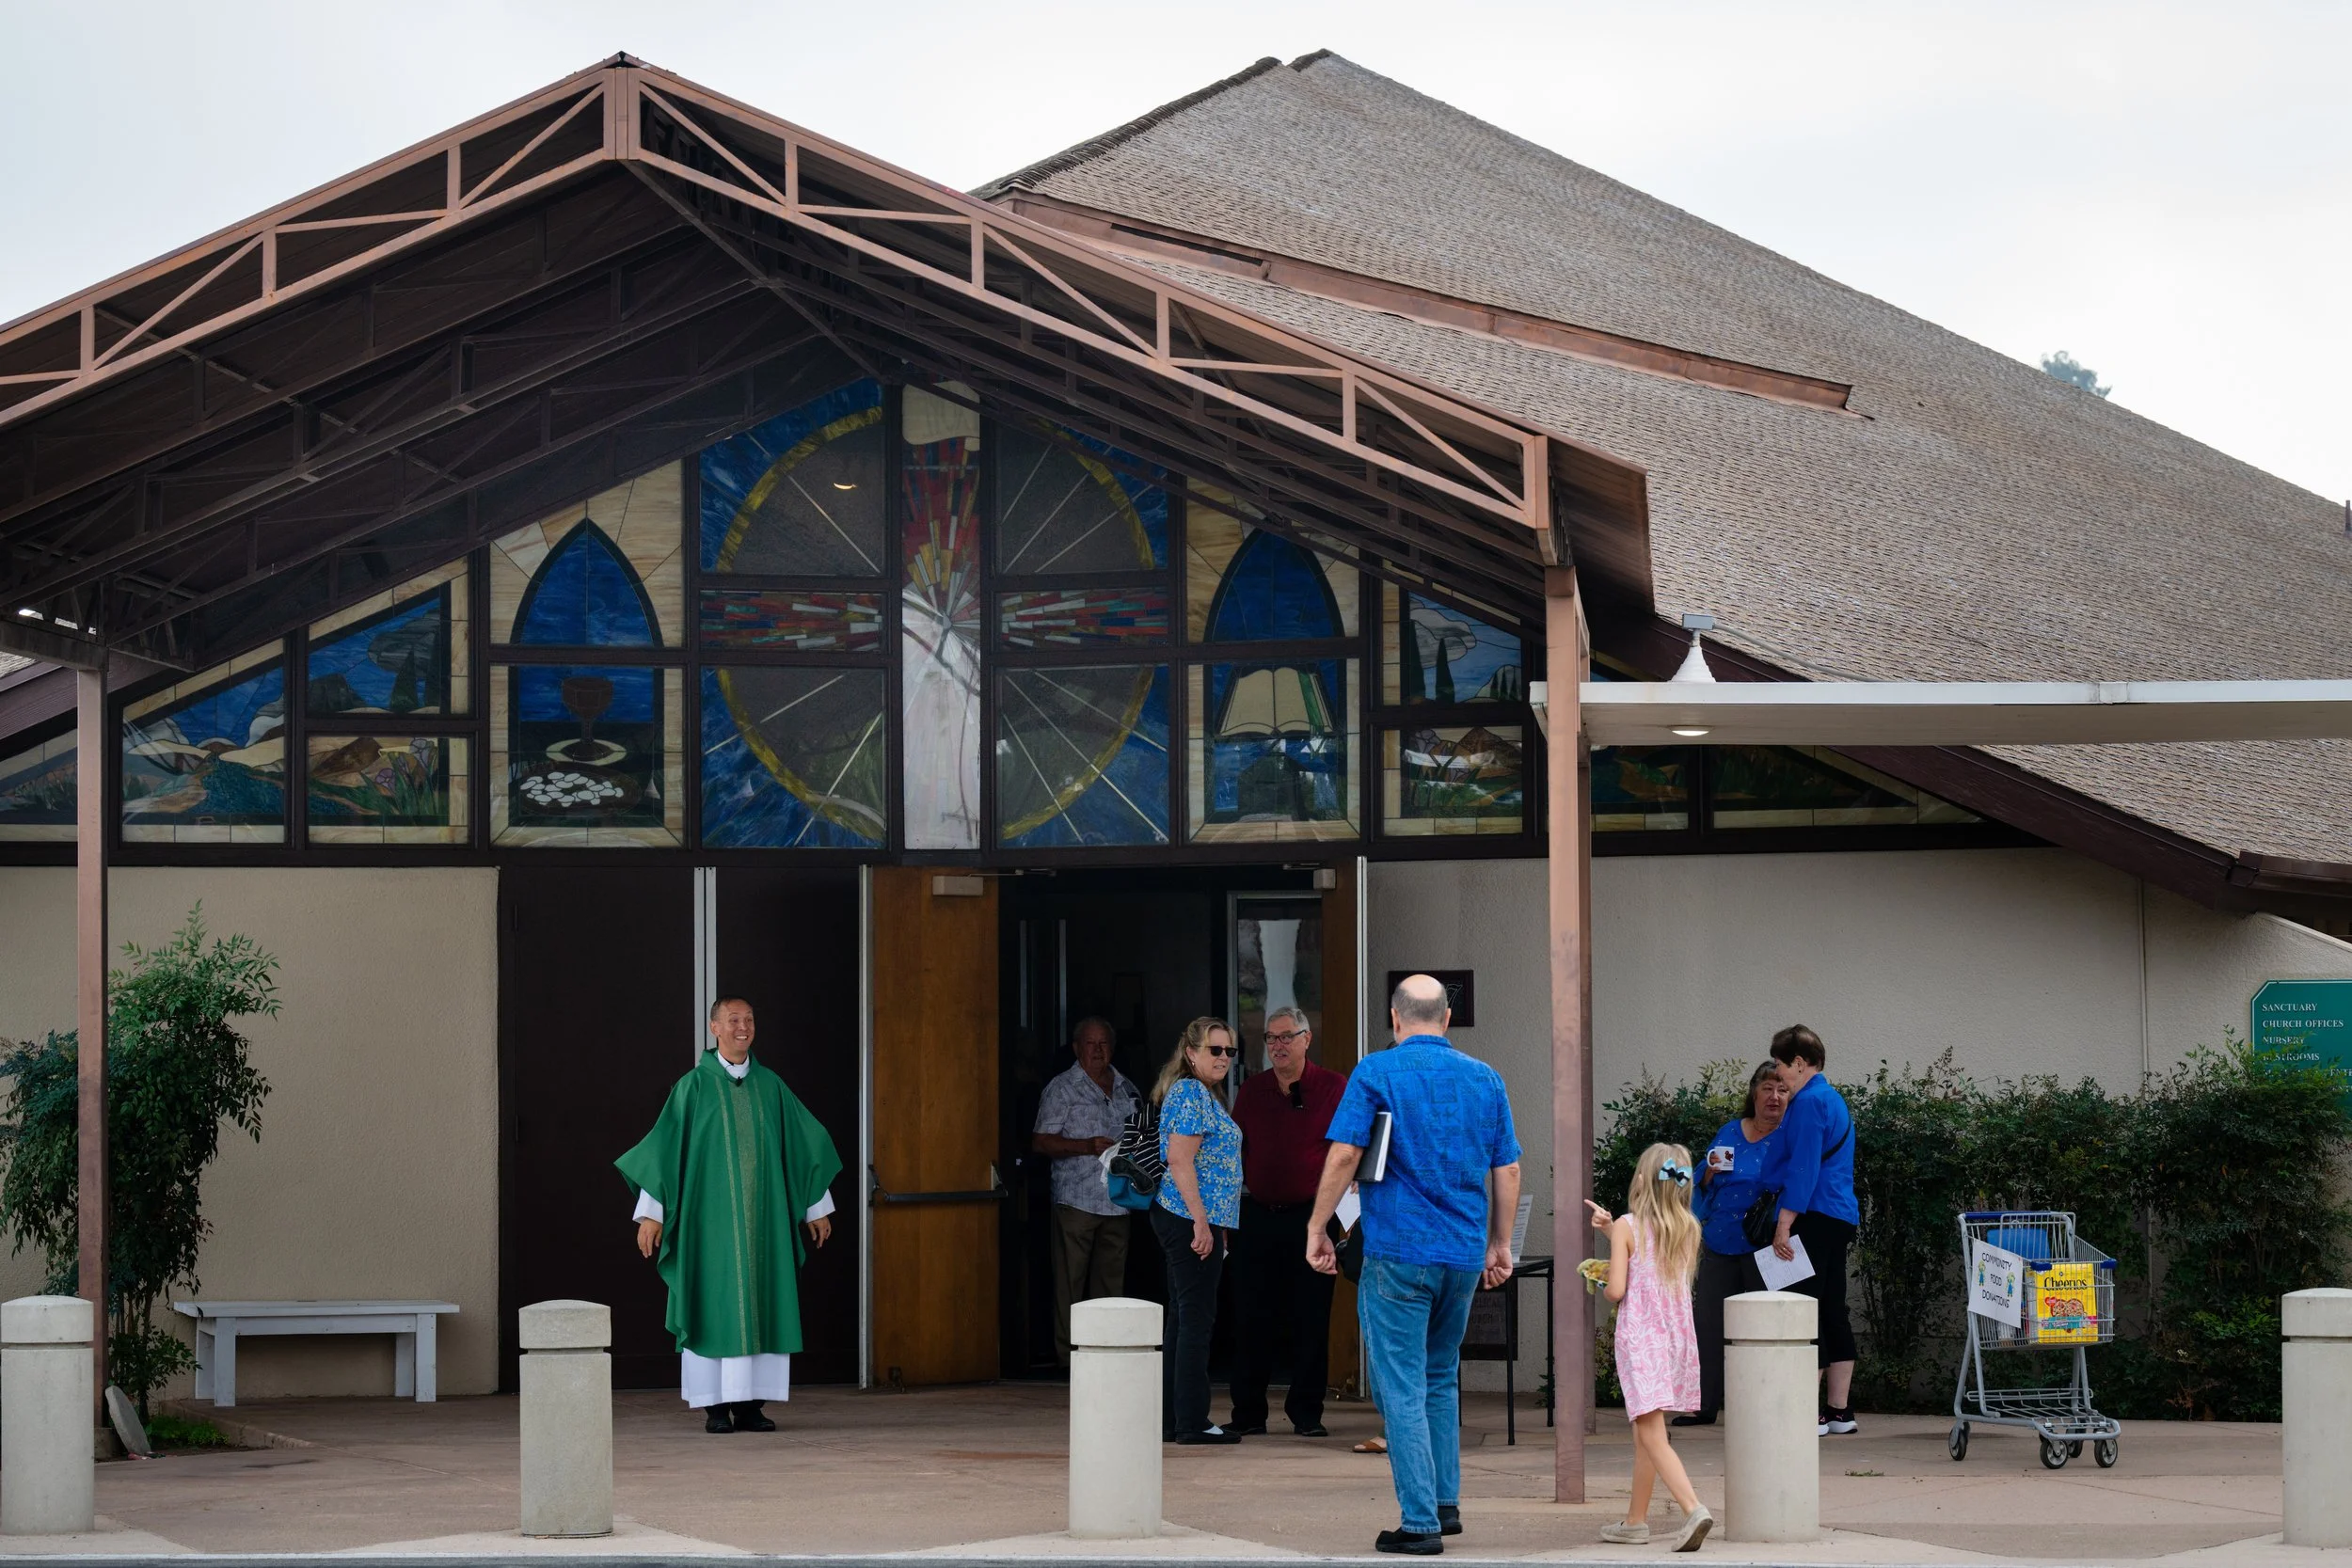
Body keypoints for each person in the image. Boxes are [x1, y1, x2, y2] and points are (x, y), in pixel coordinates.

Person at [1307, 974, 1520, 1557]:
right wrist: (1499, 1245)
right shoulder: (1486, 1078)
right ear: (1446, 1019)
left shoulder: (1376, 1071)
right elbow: (1508, 1170)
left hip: (1398, 1251)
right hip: (1460, 1254)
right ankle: (1446, 1504)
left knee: (1400, 1386)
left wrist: (1317, 1225)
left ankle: (1420, 1521)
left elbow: (1347, 1152)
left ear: (1395, 1020)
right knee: (1438, 1379)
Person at [617, 996, 841, 1433]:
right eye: (733, 1020)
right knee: (710, 1300)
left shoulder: (771, 1086)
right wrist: (652, 1215)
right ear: (714, 1028)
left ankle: (752, 1406)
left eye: (750, 1020)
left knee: (763, 1298)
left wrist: (816, 1205)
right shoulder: (693, 1087)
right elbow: (664, 1151)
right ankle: (715, 1407)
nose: (743, 1027)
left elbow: (802, 1146)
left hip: (765, 1226)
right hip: (708, 1227)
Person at [1586, 1144, 1713, 1552]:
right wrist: (1612, 1233)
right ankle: (1635, 1521)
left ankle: (1693, 1508)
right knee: (1646, 1432)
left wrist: (1600, 1276)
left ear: (1641, 1180)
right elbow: (1652, 1261)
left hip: (1641, 1341)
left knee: (1651, 1433)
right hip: (1675, 1341)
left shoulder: (1628, 1225)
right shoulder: (1688, 1227)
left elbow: (1618, 1290)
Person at [1228, 1005, 1345, 1438]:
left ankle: (1307, 1414)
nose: (1278, 1045)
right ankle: (1248, 1414)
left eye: (1286, 1036)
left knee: (1311, 1317)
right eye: (1271, 1038)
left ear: (1306, 1039)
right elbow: (1233, 1153)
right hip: (1257, 1216)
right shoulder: (1253, 1090)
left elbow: (1348, 1153)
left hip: (1312, 1219)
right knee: (1250, 1315)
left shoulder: (1334, 1087)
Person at [1760, 1023, 1861, 1435]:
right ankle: (1839, 1412)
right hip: (1839, 1215)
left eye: (1782, 1065)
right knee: (1832, 1306)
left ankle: (1808, 1412)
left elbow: (1804, 1167)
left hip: (1813, 1215)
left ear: (1800, 1063)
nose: (1779, 1074)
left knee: (1803, 1308)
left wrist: (1784, 1223)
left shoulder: (1806, 1103)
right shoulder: (1833, 1099)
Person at [1678, 1061, 1791, 1426]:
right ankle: (1704, 1405)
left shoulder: (1790, 1136)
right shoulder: (1729, 1131)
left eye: (1782, 1090)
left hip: (1765, 1247)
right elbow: (1697, 1182)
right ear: (1754, 1093)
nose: (1774, 1097)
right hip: (1720, 1242)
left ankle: (1764, 1409)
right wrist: (1708, 1177)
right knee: (1708, 1326)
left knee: (1765, 1330)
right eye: (1767, 1089)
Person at [1152, 1015, 1246, 1445]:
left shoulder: (1201, 1093)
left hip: (1191, 1219)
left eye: (1229, 1050)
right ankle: (1191, 1420)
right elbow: (1179, 1160)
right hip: (1187, 1219)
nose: (1224, 1057)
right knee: (1195, 1320)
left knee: (1183, 1318)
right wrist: (1202, 1223)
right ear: (1191, 1053)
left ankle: (1174, 1418)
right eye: (1215, 1049)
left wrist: (1214, 1223)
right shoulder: (1191, 1092)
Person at [1030, 1016, 1142, 1367]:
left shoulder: (1127, 1088)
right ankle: (1070, 1358)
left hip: (1119, 1200)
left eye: (1103, 1043)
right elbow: (1040, 1142)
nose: (1097, 1050)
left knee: (1111, 1283)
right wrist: (1086, 1145)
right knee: (1071, 1282)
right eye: (1090, 1043)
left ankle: (1107, 1356)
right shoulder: (1062, 1088)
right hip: (1076, 1199)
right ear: (1077, 1048)